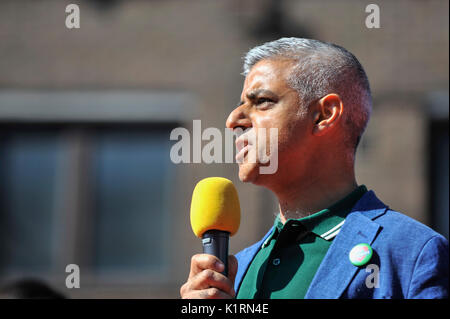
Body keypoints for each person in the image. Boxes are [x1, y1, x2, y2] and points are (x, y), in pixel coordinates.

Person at [180, 38, 449, 299]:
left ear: (324, 115)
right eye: (240, 104)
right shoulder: (235, 271)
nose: (233, 120)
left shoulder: (411, 253)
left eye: (261, 101)